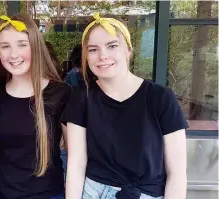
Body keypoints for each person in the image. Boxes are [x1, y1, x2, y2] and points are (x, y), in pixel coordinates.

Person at [63, 13, 188, 199]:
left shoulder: (161, 98)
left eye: (112, 46)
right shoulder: (81, 98)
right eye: (93, 49)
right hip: (94, 192)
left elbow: (177, 173)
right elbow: (76, 164)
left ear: (128, 50)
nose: (103, 56)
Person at [0, 13, 70, 199]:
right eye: (5, 46)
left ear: (35, 46)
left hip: (47, 194)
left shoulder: (61, 94)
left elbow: (76, 158)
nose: (13, 54)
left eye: (22, 44)